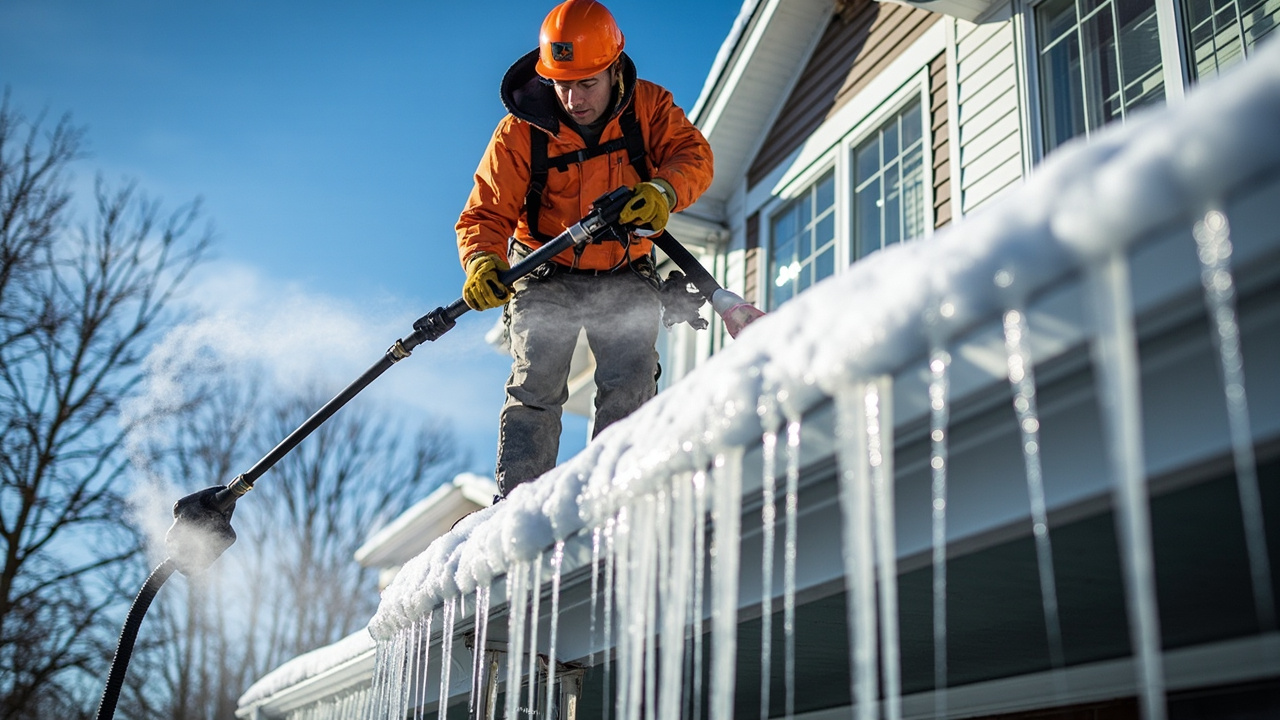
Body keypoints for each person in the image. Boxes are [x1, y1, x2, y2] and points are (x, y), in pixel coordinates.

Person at [456, 0, 714, 498]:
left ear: (614, 70)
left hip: (624, 269)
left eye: (586, 83)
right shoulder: (519, 132)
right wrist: (483, 259)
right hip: (545, 273)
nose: (573, 98)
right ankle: (517, 503)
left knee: (631, 378)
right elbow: (485, 212)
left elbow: (693, 155)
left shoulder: (649, 108)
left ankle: (618, 489)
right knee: (536, 382)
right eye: (562, 83)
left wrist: (663, 190)